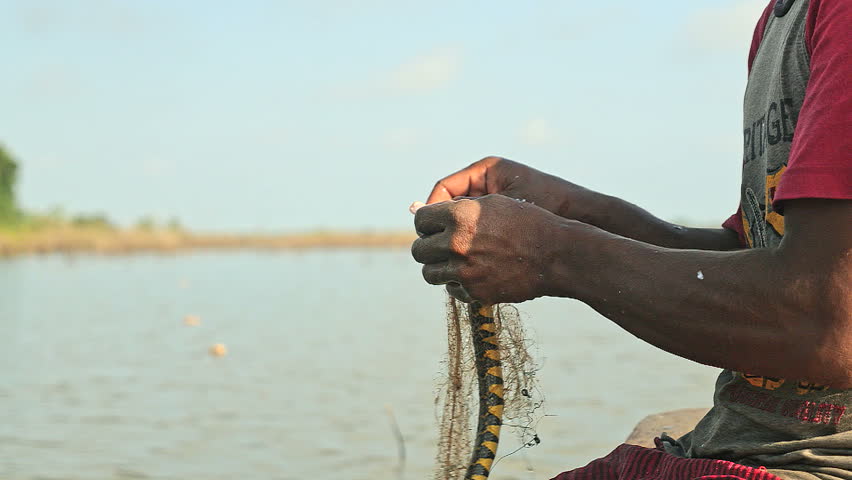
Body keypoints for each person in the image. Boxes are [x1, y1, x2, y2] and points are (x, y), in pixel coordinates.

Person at [411, 0, 851, 479]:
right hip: (739, 449)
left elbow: (828, 321)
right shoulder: (784, 17)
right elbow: (758, 262)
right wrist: (577, 212)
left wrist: (551, 253)